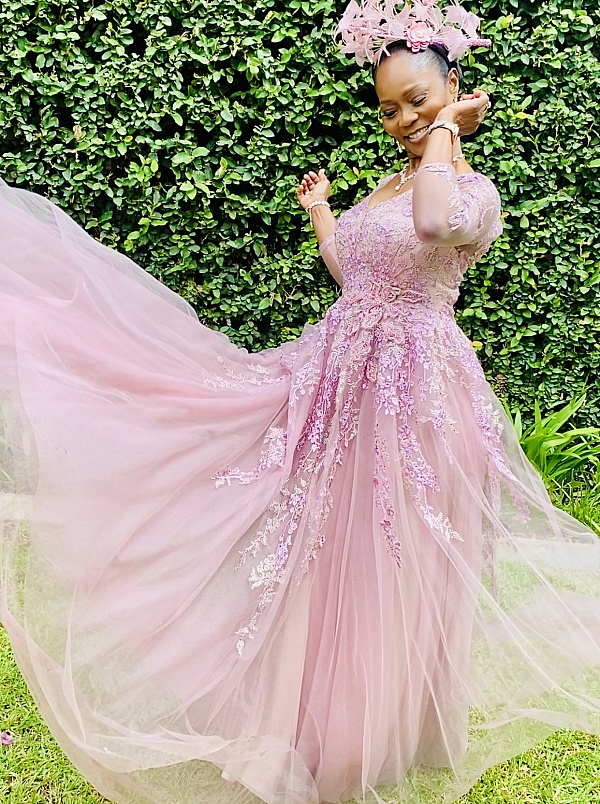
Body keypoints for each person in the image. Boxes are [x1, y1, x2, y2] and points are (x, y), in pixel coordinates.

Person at [0, 1, 599, 803]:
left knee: (386, 558)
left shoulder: (471, 192)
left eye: (418, 99)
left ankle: (377, 735)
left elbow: (433, 224)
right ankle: (319, 724)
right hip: (338, 380)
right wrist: (322, 213)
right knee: (322, 548)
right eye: (388, 108)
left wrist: (446, 133)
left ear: (455, 87)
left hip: (412, 394)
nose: (403, 120)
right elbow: (360, 273)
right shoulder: (395, 180)